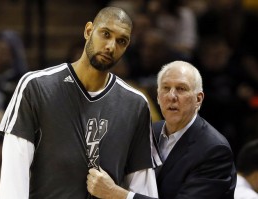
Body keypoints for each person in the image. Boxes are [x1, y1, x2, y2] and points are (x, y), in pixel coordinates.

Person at [0, 6, 160, 199]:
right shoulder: (36, 87)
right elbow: (13, 178)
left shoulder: (136, 104)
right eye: (106, 34)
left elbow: (143, 190)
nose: (111, 46)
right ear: (88, 31)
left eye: (121, 41)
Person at [87, 60, 236, 199]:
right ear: (158, 96)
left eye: (181, 89)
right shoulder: (149, 131)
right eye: (166, 88)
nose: (171, 96)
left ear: (198, 99)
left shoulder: (214, 150)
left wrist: (116, 194)